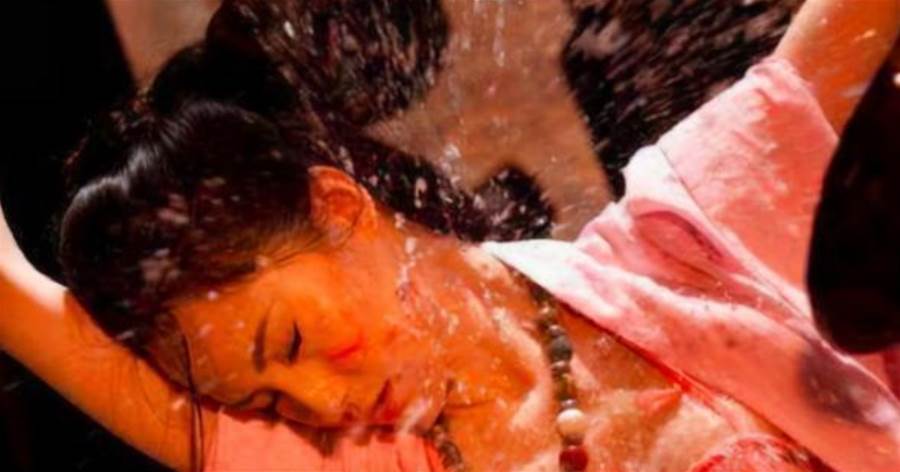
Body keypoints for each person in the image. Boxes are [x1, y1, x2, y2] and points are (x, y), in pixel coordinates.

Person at [1, 0, 899, 471]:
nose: (317, 406)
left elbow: (837, 44)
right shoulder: (370, 461)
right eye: (269, 403)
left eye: (295, 343)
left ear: (340, 206)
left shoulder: (676, 243)